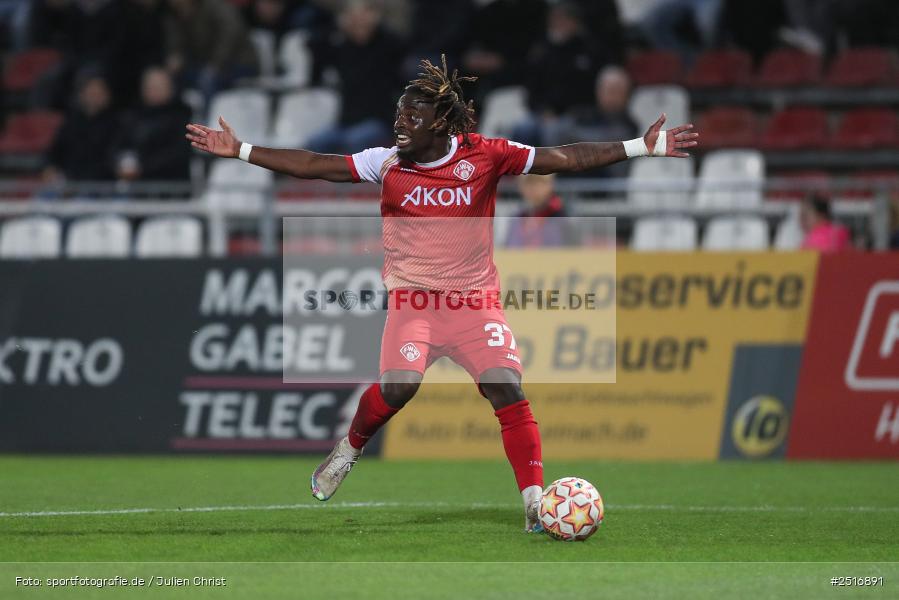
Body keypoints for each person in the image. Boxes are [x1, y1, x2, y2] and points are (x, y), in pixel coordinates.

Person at [186, 56, 698, 532]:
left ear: (439, 123)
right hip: (414, 302)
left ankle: (533, 502)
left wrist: (639, 147)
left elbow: (563, 158)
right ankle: (350, 447)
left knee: (506, 386)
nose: (400, 123)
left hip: (474, 303)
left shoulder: (486, 156)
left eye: (412, 115)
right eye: (399, 113)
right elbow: (316, 164)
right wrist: (242, 152)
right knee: (400, 388)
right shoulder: (386, 163)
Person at [305, 0, 404, 154]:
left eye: (365, 14)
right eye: (353, 16)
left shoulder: (388, 46)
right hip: (347, 122)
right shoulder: (342, 47)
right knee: (315, 143)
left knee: (354, 140)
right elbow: (315, 48)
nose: (360, 20)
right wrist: (337, 27)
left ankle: (354, 177)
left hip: (379, 120)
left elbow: (397, 43)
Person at [115, 67, 192, 184]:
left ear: (171, 89)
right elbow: (118, 147)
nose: (154, 91)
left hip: (172, 189)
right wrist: (121, 163)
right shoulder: (132, 117)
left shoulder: (182, 116)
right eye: (150, 87)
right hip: (136, 189)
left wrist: (143, 167)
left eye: (159, 87)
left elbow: (178, 153)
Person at [44, 71, 119, 182]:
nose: (94, 97)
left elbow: (116, 159)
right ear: (82, 94)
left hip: (103, 187)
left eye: (99, 93)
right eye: (91, 92)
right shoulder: (71, 123)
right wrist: (50, 167)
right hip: (69, 184)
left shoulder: (117, 125)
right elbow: (54, 152)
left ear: (107, 96)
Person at [505, 174, 573, 248]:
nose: (533, 188)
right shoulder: (517, 218)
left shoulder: (560, 216)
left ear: (550, 185)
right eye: (529, 183)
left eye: (539, 182)